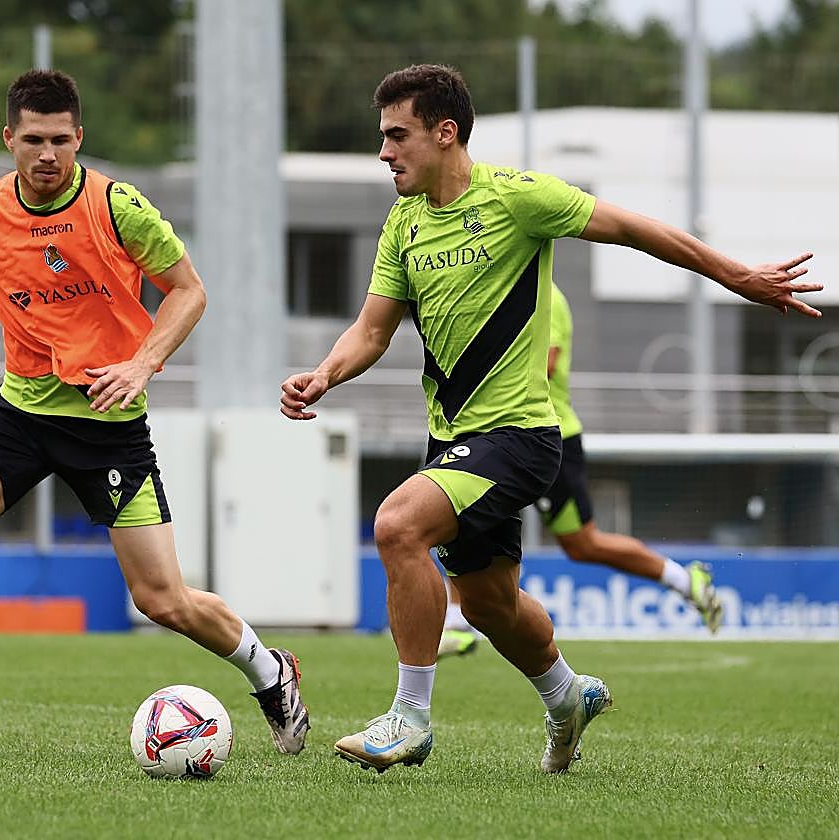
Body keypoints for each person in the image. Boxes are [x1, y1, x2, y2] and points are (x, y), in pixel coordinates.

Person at [280, 64, 818, 775]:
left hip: (520, 436)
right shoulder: (403, 224)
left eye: (397, 135)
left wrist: (738, 276)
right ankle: (567, 696)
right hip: (452, 439)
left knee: (397, 525)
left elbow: (636, 229)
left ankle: (409, 718)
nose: (384, 152)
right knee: (490, 605)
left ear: (445, 133)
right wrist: (325, 373)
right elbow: (372, 331)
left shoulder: (518, 197)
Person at [0, 69, 308, 754]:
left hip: (107, 425)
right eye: (33, 140)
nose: (47, 154)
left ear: (79, 138)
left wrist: (142, 363)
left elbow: (188, 291)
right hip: (18, 417)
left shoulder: (118, 207)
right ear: (9, 138)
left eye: (60, 140)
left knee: (161, 599)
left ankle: (271, 672)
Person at [437, 282, 724, 658]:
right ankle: (456, 622)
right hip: (497, 435)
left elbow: (546, 363)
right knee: (459, 514)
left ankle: (685, 581)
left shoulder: (546, 295)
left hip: (545, 437)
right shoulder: (501, 288)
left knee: (582, 544)